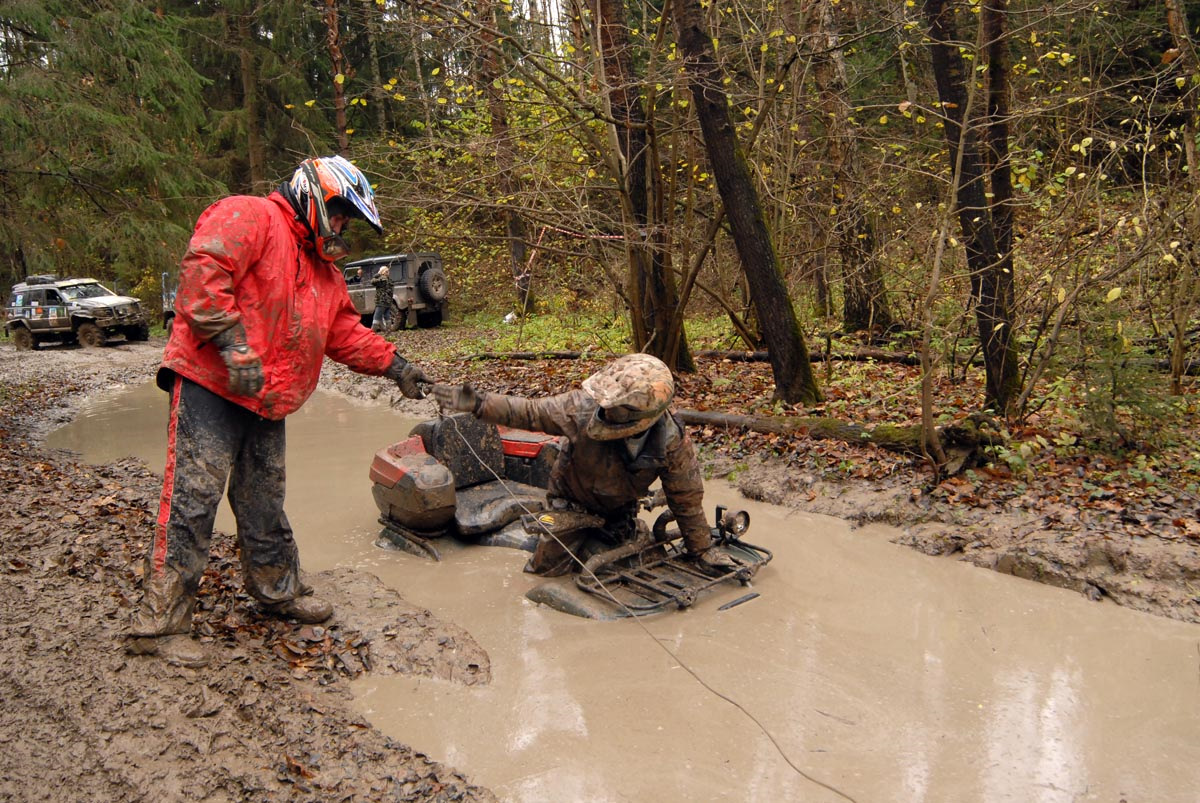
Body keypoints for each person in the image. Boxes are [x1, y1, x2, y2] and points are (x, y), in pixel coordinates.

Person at [126, 155, 432, 667]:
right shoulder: (249, 215)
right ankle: (158, 627)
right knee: (193, 500)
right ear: (315, 194)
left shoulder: (323, 269)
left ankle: (277, 591)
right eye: (339, 213)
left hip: (269, 395)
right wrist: (230, 341)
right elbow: (203, 274)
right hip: (211, 383)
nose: (340, 226)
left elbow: (342, 332)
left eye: (346, 220)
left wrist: (396, 365)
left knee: (264, 499)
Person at [431, 353, 736, 576]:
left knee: (636, 559)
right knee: (547, 568)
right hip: (569, 506)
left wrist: (702, 549)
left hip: (619, 511)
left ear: (643, 416)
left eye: (617, 408)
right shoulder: (581, 408)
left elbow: (687, 499)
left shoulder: (673, 442)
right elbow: (530, 412)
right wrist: (480, 403)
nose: (607, 411)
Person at [371, 264, 396, 332]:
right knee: (387, 316)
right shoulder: (390, 280)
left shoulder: (381, 280)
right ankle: (388, 330)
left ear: (382, 272)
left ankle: (372, 331)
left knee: (376, 317)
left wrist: (378, 274)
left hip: (381, 301)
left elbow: (372, 281)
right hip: (388, 301)